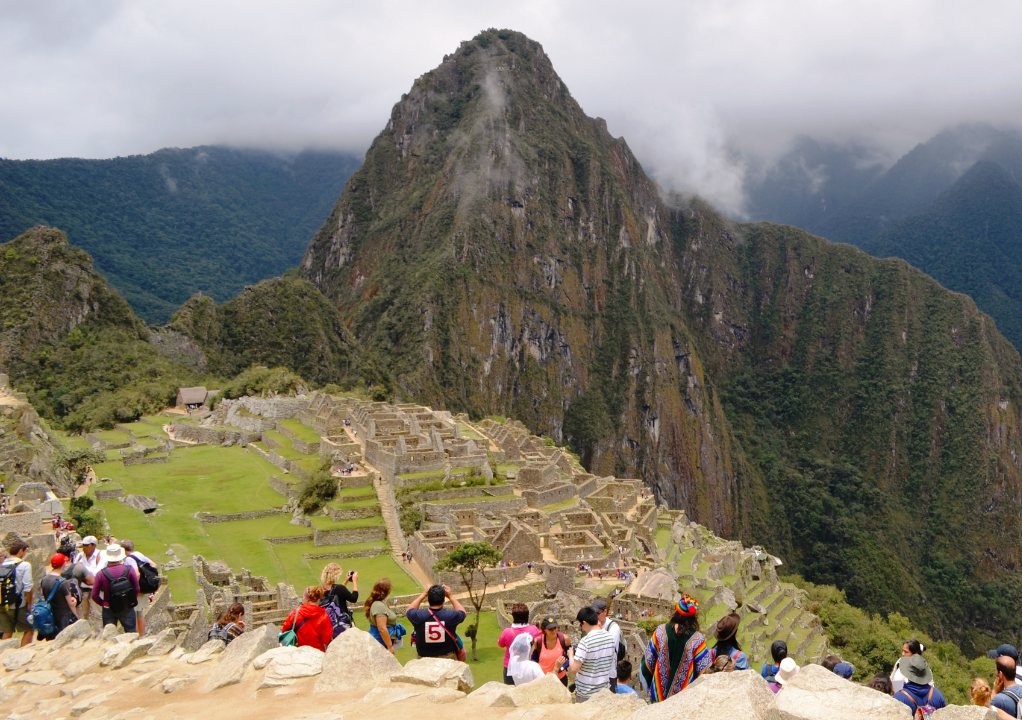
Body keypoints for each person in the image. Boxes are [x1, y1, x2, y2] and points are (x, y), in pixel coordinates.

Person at [641, 593, 711, 702]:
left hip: (658, 697)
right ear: (693, 617)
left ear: (676, 612)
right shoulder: (697, 640)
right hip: (682, 699)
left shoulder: (660, 631)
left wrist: (650, 684)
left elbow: (648, 661)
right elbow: (704, 672)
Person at [406, 584, 466, 659]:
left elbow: (409, 610)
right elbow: (463, 612)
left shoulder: (418, 616)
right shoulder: (451, 616)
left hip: (424, 659)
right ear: (444, 600)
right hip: (447, 658)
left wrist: (424, 594)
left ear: (428, 599)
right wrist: (451, 596)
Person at [569, 606, 616, 702]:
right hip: (603, 690)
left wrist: (570, 655)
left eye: (580, 624)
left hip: (586, 694)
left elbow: (574, 669)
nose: (581, 628)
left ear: (585, 623)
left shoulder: (585, 642)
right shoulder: (610, 637)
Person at [91, 543, 140, 632]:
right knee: (131, 632)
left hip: (109, 607)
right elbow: (136, 588)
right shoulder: (129, 570)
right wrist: (129, 599)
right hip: (126, 606)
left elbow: (94, 595)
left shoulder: (101, 574)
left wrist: (103, 603)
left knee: (109, 635)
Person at [0, 538, 34, 646]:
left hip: (1, 603)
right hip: (18, 604)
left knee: (7, 632)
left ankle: (3, 655)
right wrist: (29, 604)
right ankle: (23, 655)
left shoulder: (2, 564)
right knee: (29, 629)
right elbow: (28, 588)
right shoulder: (24, 565)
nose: (24, 554)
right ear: (20, 551)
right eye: (25, 551)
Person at [120, 539, 156, 637]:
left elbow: (136, 574)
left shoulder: (128, 559)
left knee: (134, 614)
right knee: (140, 613)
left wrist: (136, 589)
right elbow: (153, 565)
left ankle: (137, 636)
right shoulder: (138, 554)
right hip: (144, 589)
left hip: (137, 591)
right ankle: (142, 635)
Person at [498, 602, 540, 684]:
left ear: (513, 616)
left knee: (510, 692)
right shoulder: (534, 630)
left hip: (510, 668)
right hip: (527, 667)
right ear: (527, 616)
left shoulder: (507, 632)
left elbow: (500, 644)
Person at [38, 553, 78, 639]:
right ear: (63, 564)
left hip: (50, 614)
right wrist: (76, 616)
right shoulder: (63, 582)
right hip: (63, 616)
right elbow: (70, 603)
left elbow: (43, 595)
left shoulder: (44, 579)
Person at [282, 586, 333, 651]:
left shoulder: (296, 613)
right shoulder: (324, 616)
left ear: (306, 598)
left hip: (298, 652)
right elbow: (326, 639)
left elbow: (285, 630)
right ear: (319, 599)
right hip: (317, 653)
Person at [592, 598, 623, 690]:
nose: (595, 616)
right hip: (594, 673)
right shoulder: (593, 624)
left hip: (608, 674)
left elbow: (607, 648)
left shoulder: (613, 628)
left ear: (605, 612)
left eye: (597, 613)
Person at [532, 616, 572, 686]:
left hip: (560, 679)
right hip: (543, 679)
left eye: (555, 628)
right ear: (544, 630)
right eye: (550, 629)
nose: (554, 631)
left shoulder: (564, 639)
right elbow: (533, 660)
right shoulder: (538, 642)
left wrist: (561, 668)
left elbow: (570, 656)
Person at [364, 578, 399, 653]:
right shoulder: (378, 605)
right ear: (387, 591)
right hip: (380, 642)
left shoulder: (379, 603)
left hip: (381, 641)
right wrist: (390, 646)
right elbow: (382, 628)